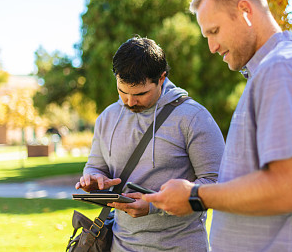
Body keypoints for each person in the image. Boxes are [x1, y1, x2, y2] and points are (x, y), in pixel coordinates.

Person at [143, 0, 292, 251]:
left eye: (214, 31)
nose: (211, 47)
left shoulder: (282, 69)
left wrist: (195, 196)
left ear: (245, 10)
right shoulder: (276, 71)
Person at [75, 36, 225, 251]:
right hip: (120, 245)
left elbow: (218, 183)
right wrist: (94, 179)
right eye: (122, 91)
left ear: (162, 78)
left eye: (140, 94)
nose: (129, 102)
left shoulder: (194, 117)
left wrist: (154, 206)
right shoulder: (108, 117)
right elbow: (95, 166)